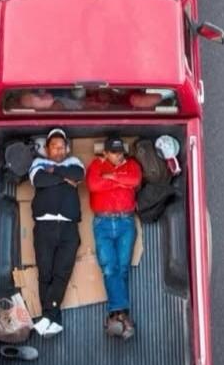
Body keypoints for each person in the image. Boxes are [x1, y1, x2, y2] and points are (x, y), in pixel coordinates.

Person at [29, 128, 84, 337]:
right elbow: (39, 180)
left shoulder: (74, 162)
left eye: (62, 147)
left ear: (67, 148)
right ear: (47, 149)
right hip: (45, 226)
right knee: (45, 273)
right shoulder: (38, 163)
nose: (59, 151)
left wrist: (54, 172)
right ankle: (52, 318)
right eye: (54, 147)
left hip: (69, 227)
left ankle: (48, 317)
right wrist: (64, 178)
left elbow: (78, 175)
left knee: (62, 273)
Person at [87, 136, 143, 340]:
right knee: (110, 267)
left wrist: (110, 177)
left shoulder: (131, 165)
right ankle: (121, 315)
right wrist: (119, 181)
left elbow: (134, 181)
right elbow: (94, 185)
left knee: (122, 268)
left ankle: (116, 315)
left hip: (125, 221)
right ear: (105, 152)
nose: (118, 156)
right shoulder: (96, 164)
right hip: (102, 222)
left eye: (120, 152)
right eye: (113, 152)